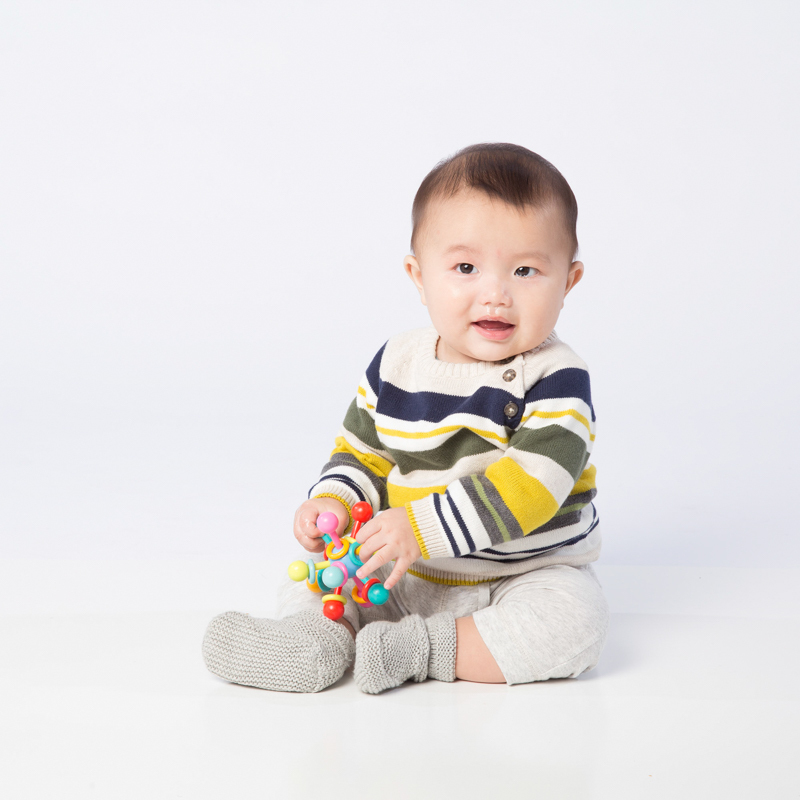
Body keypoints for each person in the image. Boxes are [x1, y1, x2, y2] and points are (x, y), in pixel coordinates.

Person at [202, 143, 609, 693]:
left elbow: (533, 486)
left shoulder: (557, 377)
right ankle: (313, 639)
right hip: (402, 570)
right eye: (465, 268)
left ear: (568, 281)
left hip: (518, 575)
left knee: (573, 621)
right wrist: (335, 501)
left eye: (525, 270)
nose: (495, 294)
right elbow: (363, 452)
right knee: (318, 577)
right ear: (419, 276)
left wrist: (420, 527)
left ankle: (417, 649)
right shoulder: (397, 363)